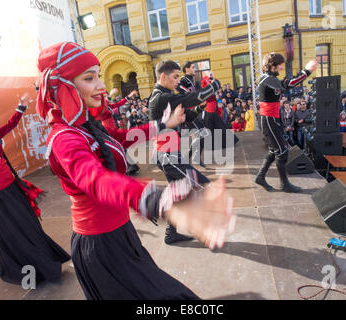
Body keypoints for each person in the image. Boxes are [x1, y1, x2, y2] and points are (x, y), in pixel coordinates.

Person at [37, 42, 236, 300]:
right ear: (64, 86)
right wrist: (161, 199)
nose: (100, 85)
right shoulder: (65, 138)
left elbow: (121, 136)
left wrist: (165, 123)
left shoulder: (86, 127)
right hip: (101, 246)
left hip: (119, 234)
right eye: (89, 78)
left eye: (98, 75)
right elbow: (96, 180)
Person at [0, 91, 70, 285]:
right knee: (14, 233)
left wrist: (20, 107)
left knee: (28, 224)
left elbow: (10, 125)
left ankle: (45, 260)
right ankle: (32, 270)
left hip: (11, 187)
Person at [148, 60, 221, 245]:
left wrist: (198, 109)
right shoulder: (160, 97)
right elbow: (188, 99)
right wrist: (212, 87)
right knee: (204, 187)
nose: (177, 81)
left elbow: (186, 116)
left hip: (171, 153)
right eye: (174, 77)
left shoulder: (166, 95)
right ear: (162, 76)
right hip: (167, 155)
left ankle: (171, 234)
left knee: (179, 196)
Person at [255, 52, 317, 193]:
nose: (282, 68)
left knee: (274, 150)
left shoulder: (268, 78)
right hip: (269, 120)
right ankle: (285, 184)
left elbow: (283, 85)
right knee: (282, 152)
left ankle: (260, 177)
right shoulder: (266, 79)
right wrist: (306, 71)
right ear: (273, 66)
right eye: (280, 65)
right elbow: (286, 85)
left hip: (272, 119)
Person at [177, 61, 209, 168]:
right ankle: (187, 158)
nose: (195, 69)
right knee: (201, 134)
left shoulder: (194, 80)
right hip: (189, 113)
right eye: (192, 67)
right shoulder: (183, 80)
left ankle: (193, 157)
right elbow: (180, 89)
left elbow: (201, 93)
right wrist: (193, 96)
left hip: (196, 112)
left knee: (202, 136)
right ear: (187, 69)